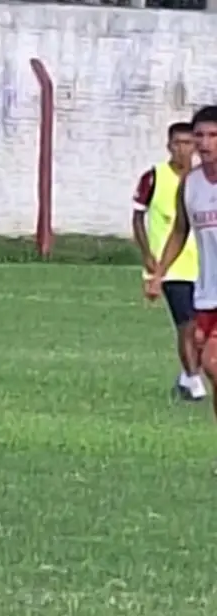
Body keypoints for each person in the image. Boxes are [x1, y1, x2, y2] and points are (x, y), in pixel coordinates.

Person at [147, 105, 217, 420]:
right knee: (210, 368)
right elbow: (180, 229)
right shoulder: (190, 184)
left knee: (212, 362)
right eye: (199, 135)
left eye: (213, 135)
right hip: (207, 293)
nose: (204, 143)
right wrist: (158, 272)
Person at [132, 121, 204, 401]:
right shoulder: (155, 177)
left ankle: (187, 377)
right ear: (169, 146)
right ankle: (195, 386)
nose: (183, 149)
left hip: (205, 266)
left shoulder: (203, 181)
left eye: (188, 143)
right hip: (172, 267)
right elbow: (138, 215)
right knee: (186, 324)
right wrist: (149, 255)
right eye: (177, 143)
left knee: (203, 330)